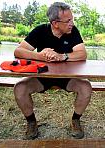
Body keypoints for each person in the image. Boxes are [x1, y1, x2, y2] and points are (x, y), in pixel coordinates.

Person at [14, 2, 92, 139]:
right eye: (68, 20)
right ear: (55, 23)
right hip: (41, 76)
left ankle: (75, 120)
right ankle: (31, 122)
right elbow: (18, 51)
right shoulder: (40, 30)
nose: (71, 23)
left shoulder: (73, 31)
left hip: (67, 77)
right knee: (19, 88)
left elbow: (82, 54)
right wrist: (40, 55)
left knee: (86, 87)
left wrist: (63, 56)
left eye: (72, 19)